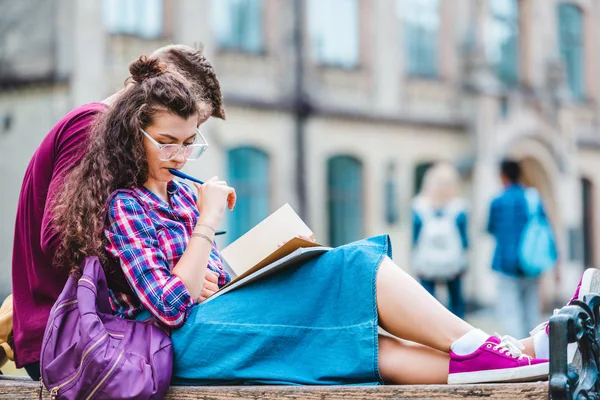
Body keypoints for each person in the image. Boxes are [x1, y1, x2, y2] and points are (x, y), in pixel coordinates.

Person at [52, 55, 592, 386]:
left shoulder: (180, 194)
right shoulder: (125, 204)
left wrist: (215, 264)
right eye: (166, 143)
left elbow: (202, 279)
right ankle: (499, 348)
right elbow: (170, 307)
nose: (179, 155)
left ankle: (522, 360)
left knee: (362, 347)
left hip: (218, 320)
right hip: (185, 344)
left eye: (190, 144)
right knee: (353, 267)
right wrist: (205, 226)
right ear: (133, 135)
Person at [11, 44, 225, 380]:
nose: (180, 154)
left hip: (96, 332)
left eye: (190, 140)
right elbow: (58, 237)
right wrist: (168, 282)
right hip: (72, 339)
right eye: (171, 137)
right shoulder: (90, 125)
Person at [487, 160, 550, 339]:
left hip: (505, 263)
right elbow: (546, 228)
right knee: (531, 310)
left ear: (503, 175)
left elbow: (491, 228)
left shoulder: (498, 201)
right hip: (531, 263)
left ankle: (517, 353)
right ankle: (536, 348)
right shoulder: (533, 198)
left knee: (510, 312)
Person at [412, 162, 468, 318]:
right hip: (453, 262)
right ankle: (459, 334)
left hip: (427, 261)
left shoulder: (419, 206)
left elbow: (415, 238)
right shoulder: (459, 208)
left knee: (427, 300)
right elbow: (464, 240)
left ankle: (429, 332)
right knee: (456, 299)